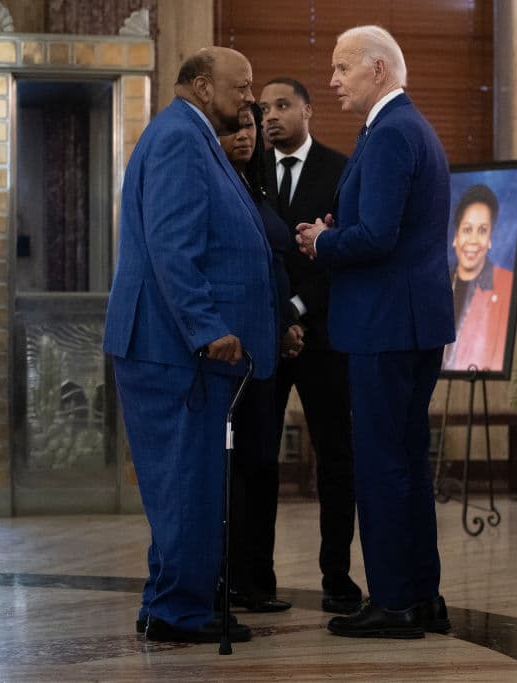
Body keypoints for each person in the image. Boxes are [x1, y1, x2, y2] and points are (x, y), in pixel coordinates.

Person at [103, 47, 275, 644]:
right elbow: (173, 247)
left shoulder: (189, 133)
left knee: (185, 481)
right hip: (176, 348)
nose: (250, 98)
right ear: (202, 86)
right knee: (185, 482)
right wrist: (206, 328)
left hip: (173, 347)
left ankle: (167, 602)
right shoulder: (180, 138)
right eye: (241, 86)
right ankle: (179, 613)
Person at [296, 25, 455, 639]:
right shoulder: (407, 127)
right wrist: (339, 230)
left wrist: (323, 241)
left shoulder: (390, 133)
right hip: (409, 323)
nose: (333, 80)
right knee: (407, 461)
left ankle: (392, 602)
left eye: (343, 68)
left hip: (384, 326)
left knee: (382, 464)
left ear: (379, 70)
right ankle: (422, 596)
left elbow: (379, 238)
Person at [258, 77, 362, 614]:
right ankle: (255, 577)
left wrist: (295, 311)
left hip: (323, 337)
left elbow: (343, 254)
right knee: (258, 458)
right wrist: (277, 319)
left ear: (308, 110)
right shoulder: (247, 170)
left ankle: (336, 578)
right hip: (265, 339)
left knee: (336, 459)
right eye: (263, 108)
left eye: (282, 105)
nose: (270, 116)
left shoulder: (341, 170)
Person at [218, 103, 303, 613]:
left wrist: (288, 321)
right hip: (230, 354)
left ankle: (256, 582)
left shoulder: (257, 186)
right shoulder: (215, 184)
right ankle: (228, 580)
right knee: (234, 474)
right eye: (233, 127)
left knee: (262, 468)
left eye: (249, 125)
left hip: (267, 349)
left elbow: (276, 268)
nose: (244, 135)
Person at [442, 184, 513, 373]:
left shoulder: (506, 285)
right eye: (467, 229)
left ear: (490, 238)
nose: (473, 240)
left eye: (482, 230)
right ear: (456, 236)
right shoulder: (437, 284)